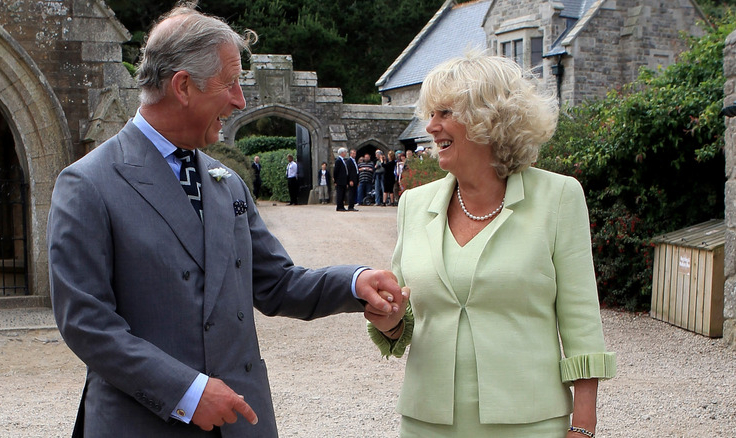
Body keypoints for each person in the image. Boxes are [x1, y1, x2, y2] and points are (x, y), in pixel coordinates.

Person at [47, 5, 404, 438]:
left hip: (240, 423)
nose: (240, 100)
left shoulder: (226, 182)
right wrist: (187, 392)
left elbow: (276, 283)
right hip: (142, 424)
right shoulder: (88, 184)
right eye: (230, 83)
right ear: (183, 86)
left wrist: (354, 282)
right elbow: (87, 323)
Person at [364, 52, 616, 438]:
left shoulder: (559, 197)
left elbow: (581, 320)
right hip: (426, 424)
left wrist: (583, 427)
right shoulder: (413, 204)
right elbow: (405, 314)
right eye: (431, 113)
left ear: (489, 118)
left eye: (445, 112)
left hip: (530, 424)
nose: (430, 126)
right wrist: (390, 321)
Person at [333, 147, 349, 211]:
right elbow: (336, 171)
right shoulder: (338, 160)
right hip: (340, 180)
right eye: (345, 152)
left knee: (343, 194)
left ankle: (342, 206)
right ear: (342, 153)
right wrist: (335, 181)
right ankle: (339, 207)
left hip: (343, 180)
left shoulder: (343, 160)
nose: (345, 153)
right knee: (340, 194)